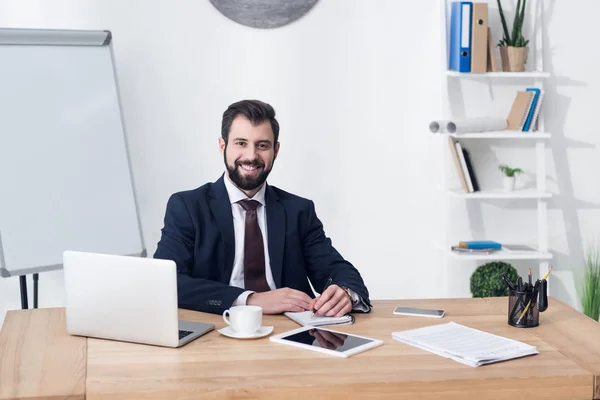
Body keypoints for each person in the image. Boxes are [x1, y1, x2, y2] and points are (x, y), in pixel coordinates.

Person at [154, 99, 371, 317]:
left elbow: (339, 271)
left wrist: (345, 292)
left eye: (262, 145)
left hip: (289, 333)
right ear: (223, 146)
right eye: (241, 143)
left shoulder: (298, 211)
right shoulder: (188, 207)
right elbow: (167, 282)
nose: (251, 156)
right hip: (219, 328)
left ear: (275, 150)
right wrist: (251, 299)